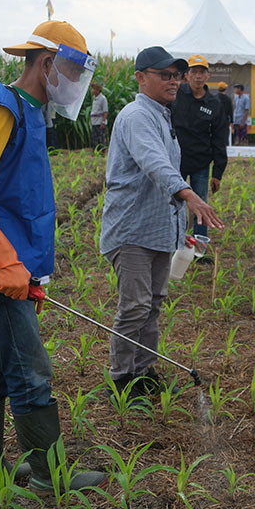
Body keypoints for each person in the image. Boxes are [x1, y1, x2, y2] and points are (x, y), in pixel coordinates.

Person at [0, 20, 104, 493]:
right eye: (72, 72)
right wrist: (7, 262)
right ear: (48, 64)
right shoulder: (2, 110)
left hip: (11, 270)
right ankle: (52, 479)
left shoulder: (30, 110)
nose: (75, 85)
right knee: (31, 372)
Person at [100, 46, 224, 394]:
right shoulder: (136, 116)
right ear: (141, 78)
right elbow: (155, 163)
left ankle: (144, 370)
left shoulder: (163, 115)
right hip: (132, 231)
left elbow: (164, 169)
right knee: (136, 304)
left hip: (157, 229)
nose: (174, 82)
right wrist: (189, 194)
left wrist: (180, 229)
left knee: (152, 303)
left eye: (176, 75)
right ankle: (122, 377)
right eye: (164, 75)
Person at [172, 54, 228, 254]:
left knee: (200, 206)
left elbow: (220, 138)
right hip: (175, 162)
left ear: (207, 76)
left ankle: (199, 250)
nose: (197, 76)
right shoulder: (176, 95)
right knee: (172, 204)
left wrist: (218, 172)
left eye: (201, 72)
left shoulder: (214, 104)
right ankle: (172, 244)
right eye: (194, 71)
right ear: (187, 75)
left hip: (201, 164)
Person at [89, 81, 109, 151]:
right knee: (94, 137)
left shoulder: (103, 99)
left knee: (101, 137)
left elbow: (105, 111)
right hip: (94, 121)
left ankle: (102, 151)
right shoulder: (94, 98)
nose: (92, 90)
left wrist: (103, 122)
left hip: (99, 121)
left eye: (94, 89)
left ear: (97, 90)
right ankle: (95, 151)